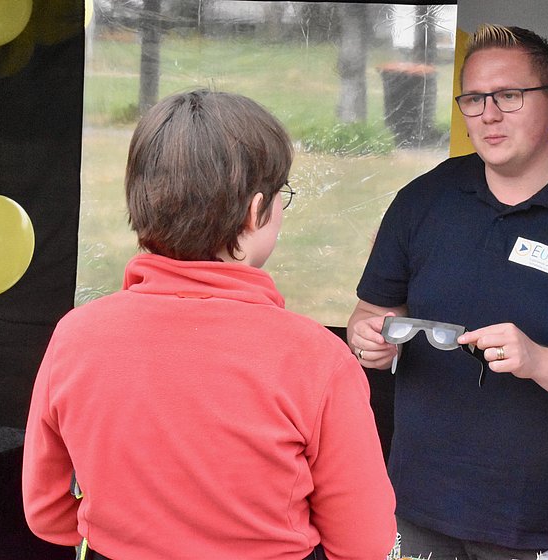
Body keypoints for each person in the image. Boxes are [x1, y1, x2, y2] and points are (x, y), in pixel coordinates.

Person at [23, 89, 396, 560]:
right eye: (283, 195)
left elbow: (46, 512)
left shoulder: (74, 335)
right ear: (254, 210)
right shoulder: (315, 357)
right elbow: (364, 543)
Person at [347, 24, 548, 559]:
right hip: (418, 508)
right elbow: (371, 314)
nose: (488, 115)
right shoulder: (424, 200)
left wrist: (540, 362)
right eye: (474, 99)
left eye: (509, 96)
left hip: (546, 526)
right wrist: (371, 341)